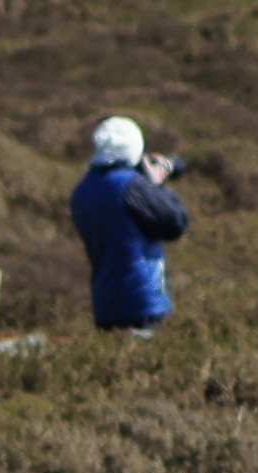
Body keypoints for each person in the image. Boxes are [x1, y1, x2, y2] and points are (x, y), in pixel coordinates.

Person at [71, 115, 191, 333]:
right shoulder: (131, 186)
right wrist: (156, 186)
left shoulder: (83, 189)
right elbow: (175, 224)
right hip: (142, 301)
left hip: (105, 301)